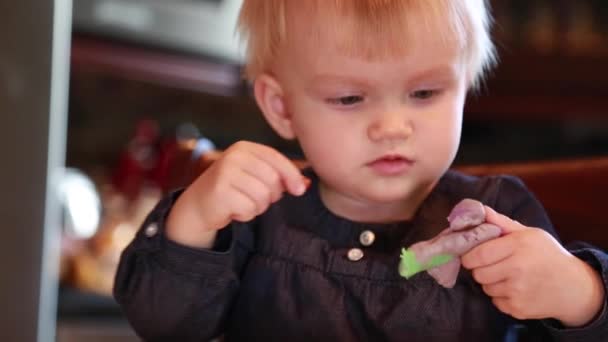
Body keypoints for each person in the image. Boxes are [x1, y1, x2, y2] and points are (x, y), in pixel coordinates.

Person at [113, 1, 608, 341]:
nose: (393, 127)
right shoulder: (256, 219)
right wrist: (195, 219)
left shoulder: (503, 214)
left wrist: (579, 293)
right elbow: (162, 325)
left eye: (425, 94)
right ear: (282, 107)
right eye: (350, 98)